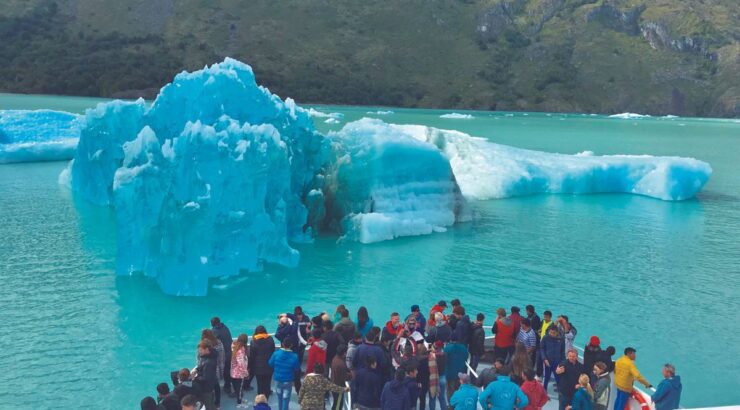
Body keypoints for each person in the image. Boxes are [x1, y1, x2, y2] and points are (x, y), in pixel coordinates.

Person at [269, 338, 302, 410]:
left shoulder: (276, 354)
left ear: (283, 344)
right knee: (286, 399)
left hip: (277, 380)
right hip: (287, 381)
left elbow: (270, 363)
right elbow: (297, 368)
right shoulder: (294, 356)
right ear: (291, 345)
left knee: (279, 398)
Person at [275, 313, 304, 393]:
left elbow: (276, 335)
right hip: (294, 353)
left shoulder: (280, 332)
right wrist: (287, 315)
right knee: (296, 373)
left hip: (285, 355)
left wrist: (281, 324)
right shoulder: (294, 328)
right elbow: (296, 318)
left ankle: (284, 390)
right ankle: (299, 391)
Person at [250, 325, 276, 398]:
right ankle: (266, 397)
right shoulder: (270, 339)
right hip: (269, 365)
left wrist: (251, 367)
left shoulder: (253, 341)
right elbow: (273, 351)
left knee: (259, 383)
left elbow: (252, 356)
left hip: (258, 367)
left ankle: (260, 398)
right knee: (267, 383)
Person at [201, 329, 225, 408]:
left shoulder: (203, 346)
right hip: (216, 369)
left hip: (207, 370)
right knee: (216, 385)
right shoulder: (218, 343)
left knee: (209, 389)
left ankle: (212, 404)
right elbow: (221, 358)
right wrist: (222, 370)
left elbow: (199, 360)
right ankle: (217, 403)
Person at [211, 317, 234, 395]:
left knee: (225, 371)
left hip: (223, 354)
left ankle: (227, 387)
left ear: (212, 324)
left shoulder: (214, 331)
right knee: (228, 370)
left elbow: (214, 344)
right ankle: (228, 385)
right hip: (230, 352)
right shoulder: (225, 327)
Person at [193, 340, 218, 410]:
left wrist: (195, 378)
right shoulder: (207, 356)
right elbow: (201, 365)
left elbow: (205, 378)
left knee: (208, 404)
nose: (199, 351)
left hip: (206, 388)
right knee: (211, 403)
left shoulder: (208, 363)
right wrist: (197, 369)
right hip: (210, 384)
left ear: (206, 349)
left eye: (201, 350)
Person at [443, 334, 469, 400]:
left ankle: (451, 405)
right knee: (458, 389)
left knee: (450, 390)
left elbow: (444, 360)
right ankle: (457, 403)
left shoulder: (447, 348)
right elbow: (466, 357)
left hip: (450, 373)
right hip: (460, 373)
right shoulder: (463, 347)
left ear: (451, 340)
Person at [540, 326, 564, 392]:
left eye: (553, 333)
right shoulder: (545, 338)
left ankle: (560, 391)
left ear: (557, 332)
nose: (551, 334)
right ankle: (544, 389)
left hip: (557, 362)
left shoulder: (561, 339)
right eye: (550, 332)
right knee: (546, 377)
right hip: (548, 361)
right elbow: (542, 348)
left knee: (558, 377)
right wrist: (544, 359)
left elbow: (562, 351)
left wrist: (562, 363)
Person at [231, 333, 250, 408]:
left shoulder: (234, 346)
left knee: (236, 388)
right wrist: (246, 373)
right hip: (239, 374)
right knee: (239, 389)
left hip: (233, 372)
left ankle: (240, 399)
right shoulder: (241, 350)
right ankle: (239, 403)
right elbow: (241, 363)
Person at [331, 345, 351, 409]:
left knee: (336, 403)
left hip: (334, 384)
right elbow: (344, 377)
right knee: (338, 405)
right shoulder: (341, 364)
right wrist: (351, 375)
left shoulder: (335, 358)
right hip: (339, 387)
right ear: (344, 353)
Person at [428, 341, 447, 410]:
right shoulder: (444, 355)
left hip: (433, 379)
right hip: (442, 378)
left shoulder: (432, 356)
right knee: (442, 398)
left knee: (432, 398)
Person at [468, 313, 486, 377]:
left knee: (471, 363)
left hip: (471, 348)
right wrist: (482, 353)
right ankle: (473, 379)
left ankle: (471, 377)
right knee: (474, 366)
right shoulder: (481, 330)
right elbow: (480, 344)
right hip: (476, 351)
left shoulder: (472, 326)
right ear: (483, 320)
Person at [536, 311, 553, 377]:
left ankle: (544, 374)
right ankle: (538, 374)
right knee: (539, 359)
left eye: (546, 317)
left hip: (546, 345)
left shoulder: (552, 324)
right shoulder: (543, 321)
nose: (545, 318)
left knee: (544, 359)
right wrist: (539, 332)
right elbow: (541, 329)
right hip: (541, 342)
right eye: (544, 316)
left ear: (550, 317)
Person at [416, 343, 431, 410]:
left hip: (417, 382)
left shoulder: (417, 360)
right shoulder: (429, 360)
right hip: (425, 382)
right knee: (423, 399)